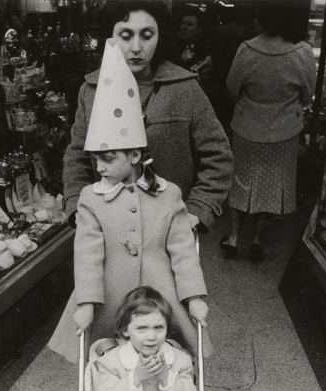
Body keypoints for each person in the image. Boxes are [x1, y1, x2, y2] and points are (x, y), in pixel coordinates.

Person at [49, 36, 209, 365]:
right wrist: (86, 303)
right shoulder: (91, 200)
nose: (99, 168)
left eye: (107, 159)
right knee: (105, 360)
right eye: (95, 160)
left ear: (135, 154)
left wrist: (194, 297)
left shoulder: (169, 195)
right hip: (107, 297)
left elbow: (182, 251)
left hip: (160, 294)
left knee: (169, 355)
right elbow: (88, 255)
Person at [62, 0, 232, 233]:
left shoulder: (184, 88)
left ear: (159, 37)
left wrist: (196, 211)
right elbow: (77, 158)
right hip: (109, 230)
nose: (136, 47)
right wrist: (78, 208)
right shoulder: (91, 91)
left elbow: (218, 157)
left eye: (147, 35)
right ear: (110, 38)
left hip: (170, 232)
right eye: (125, 35)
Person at [221, 0, 315, 262]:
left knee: (241, 183)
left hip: (246, 127)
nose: (254, 20)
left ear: (266, 18)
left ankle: (233, 238)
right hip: (284, 131)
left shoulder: (247, 49)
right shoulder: (303, 51)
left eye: (258, 15)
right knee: (272, 188)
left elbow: (232, 87)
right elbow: (308, 95)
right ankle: (258, 241)